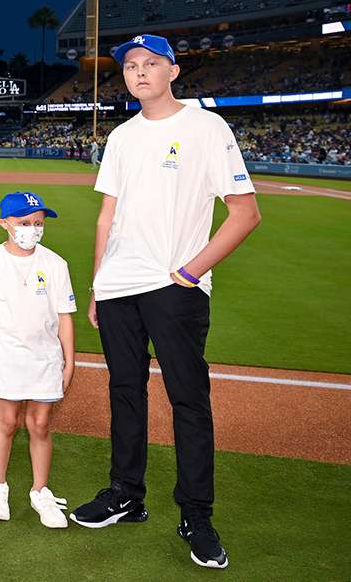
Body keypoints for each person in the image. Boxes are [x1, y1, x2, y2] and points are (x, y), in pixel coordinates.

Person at [70, 34, 260, 570]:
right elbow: (108, 216)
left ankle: (196, 514)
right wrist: (97, 285)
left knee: (188, 400)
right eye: (130, 65)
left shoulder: (206, 127)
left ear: (173, 71)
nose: (139, 72)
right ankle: (126, 493)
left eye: (151, 63)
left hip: (174, 287)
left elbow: (245, 212)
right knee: (125, 392)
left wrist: (191, 271)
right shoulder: (123, 136)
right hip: (118, 288)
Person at [0, 191, 76, 528]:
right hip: (6, 356)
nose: (32, 229)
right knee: (7, 420)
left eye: (38, 223)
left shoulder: (55, 264)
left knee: (40, 423)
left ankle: (40, 490)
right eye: (24, 222)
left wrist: (69, 362)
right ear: (5, 224)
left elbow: (65, 316)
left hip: (45, 357)